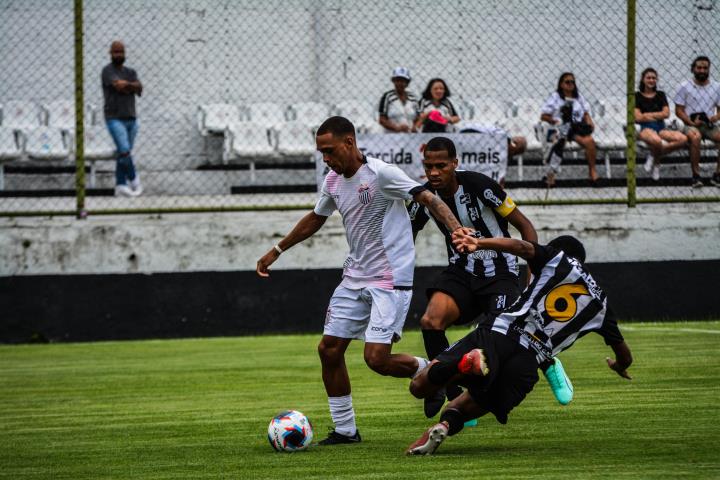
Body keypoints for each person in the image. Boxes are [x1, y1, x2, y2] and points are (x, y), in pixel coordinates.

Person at [256, 116, 465, 446]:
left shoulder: (381, 174)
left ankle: (431, 372)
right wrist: (277, 249)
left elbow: (428, 198)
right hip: (354, 277)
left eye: (329, 150)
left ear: (349, 143)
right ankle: (345, 430)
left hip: (389, 279)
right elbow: (316, 217)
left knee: (376, 360)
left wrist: (458, 231)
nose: (325, 158)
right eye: (320, 152)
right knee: (329, 349)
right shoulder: (333, 181)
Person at [405, 235, 633, 455]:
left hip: (500, 333)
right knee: (461, 407)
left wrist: (480, 242)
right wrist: (618, 366)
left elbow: (521, 247)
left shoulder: (557, 258)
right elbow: (624, 355)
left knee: (419, 387)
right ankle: (444, 425)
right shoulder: (601, 305)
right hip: (526, 364)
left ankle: (461, 366)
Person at [540, 72, 600, 187]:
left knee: (590, 142)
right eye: (567, 82)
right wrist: (555, 121)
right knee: (558, 142)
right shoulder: (555, 97)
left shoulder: (578, 97)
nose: (570, 84)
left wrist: (589, 120)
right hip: (561, 126)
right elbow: (544, 116)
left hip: (576, 127)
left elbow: (586, 112)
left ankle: (592, 172)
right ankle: (551, 175)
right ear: (561, 84)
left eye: (572, 82)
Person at [102, 40, 143, 197]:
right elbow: (119, 86)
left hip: (131, 118)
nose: (118, 55)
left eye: (121, 52)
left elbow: (139, 88)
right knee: (125, 151)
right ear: (110, 53)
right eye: (115, 52)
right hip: (114, 118)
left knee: (123, 151)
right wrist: (130, 86)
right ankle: (134, 180)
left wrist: (127, 85)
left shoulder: (131, 71)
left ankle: (120, 184)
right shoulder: (107, 71)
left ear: (125, 53)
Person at [673, 56, 720, 188]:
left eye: (705, 68)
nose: (702, 70)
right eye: (699, 67)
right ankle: (696, 175)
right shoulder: (684, 86)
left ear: (709, 69)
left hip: (708, 124)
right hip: (690, 124)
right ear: (693, 68)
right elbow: (679, 111)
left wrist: (715, 118)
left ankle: (717, 175)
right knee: (695, 137)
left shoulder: (717, 87)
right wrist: (691, 122)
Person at [635, 67, 688, 181]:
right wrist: (657, 115)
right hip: (645, 129)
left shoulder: (660, 95)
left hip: (661, 128)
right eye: (648, 78)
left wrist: (647, 115)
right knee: (657, 141)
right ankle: (657, 166)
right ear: (643, 80)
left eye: (654, 78)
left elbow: (666, 114)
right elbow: (638, 117)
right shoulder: (637, 96)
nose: (651, 80)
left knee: (683, 139)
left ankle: (653, 155)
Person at [458, 122, 527, 187]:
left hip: (465, 133)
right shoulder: (504, 140)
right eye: (514, 152)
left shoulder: (503, 139)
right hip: (471, 134)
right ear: (515, 145)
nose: (511, 154)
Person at [378, 67, 420, 133]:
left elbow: (418, 117)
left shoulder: (413, 98)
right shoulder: (387, 97)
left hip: (410, 136)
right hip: (392, 136)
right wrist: (396, 128)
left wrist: (415, 127)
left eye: (403, 81)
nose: (400, 83)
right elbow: (382, 119)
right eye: (397, 80)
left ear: (407, 82)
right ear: (393, 81)